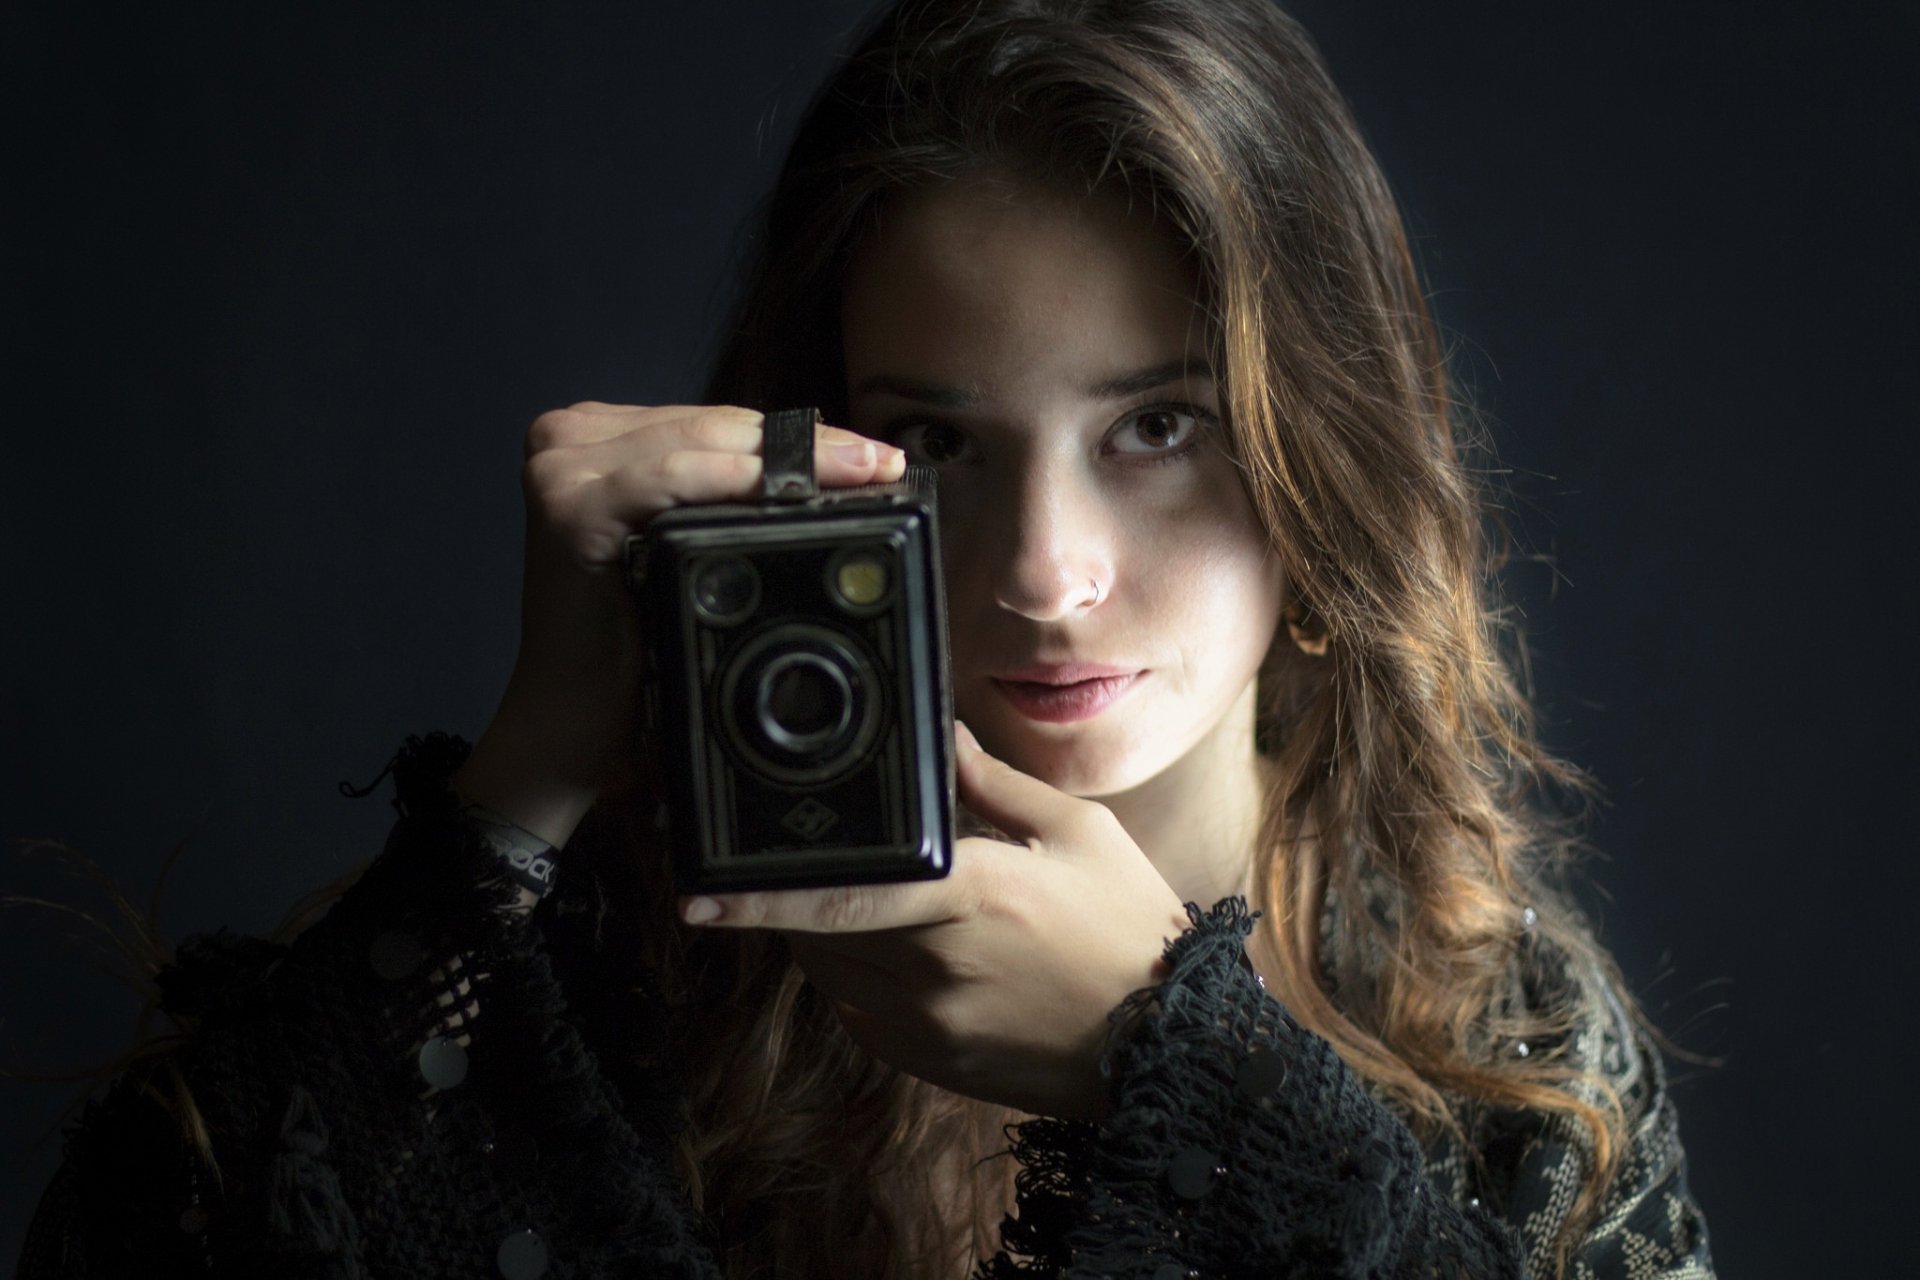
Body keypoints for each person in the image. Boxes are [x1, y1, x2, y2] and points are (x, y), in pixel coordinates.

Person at [17, 0, 1715, 1276]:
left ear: (1320, 448)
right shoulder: (635, 968)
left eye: (1159, 427)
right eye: (944, 445)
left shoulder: (1505, 1037)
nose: (1047, 576)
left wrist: (1198, 1078)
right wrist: (527, 781)